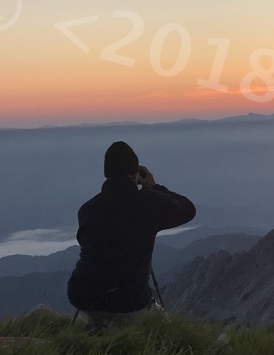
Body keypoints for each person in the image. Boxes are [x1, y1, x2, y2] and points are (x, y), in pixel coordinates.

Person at [67, 141, 196, 331]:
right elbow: (188, 209)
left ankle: (95, 331)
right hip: (129, 301)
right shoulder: (147, 204)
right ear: (136, 174)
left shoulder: (87, 210)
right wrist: (154, 187)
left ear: (107, 173)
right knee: (165, 329)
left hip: (83, 295)